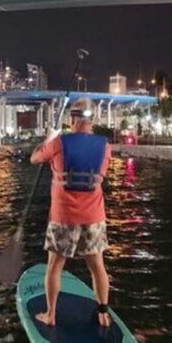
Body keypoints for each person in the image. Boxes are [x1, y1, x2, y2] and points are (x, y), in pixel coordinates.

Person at [30, 98, 112, 328]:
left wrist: (49, 137)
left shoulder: (58, 143)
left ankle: (51, 314)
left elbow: (34, 158)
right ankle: (103, 313)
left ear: (72, 120)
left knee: (55, 266)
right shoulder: (105, 146)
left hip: (63, 217)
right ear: (92, 121)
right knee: (97, 266)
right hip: (94, 217)